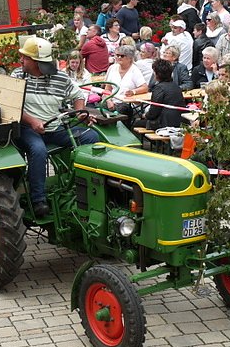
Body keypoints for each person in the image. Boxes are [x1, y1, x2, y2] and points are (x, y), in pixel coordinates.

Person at [11, 37, 99, 217]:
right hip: (28, 129)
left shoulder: (60, 77)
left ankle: (81, 187)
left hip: (55, 128)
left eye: (25, 58)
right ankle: (38, 200)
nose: (21, 60)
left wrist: (80, 112)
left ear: (37, 63)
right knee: (38, 150)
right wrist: (32, 121)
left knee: (91, 137)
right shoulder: (17, 76)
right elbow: (11, 106)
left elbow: (78, 95)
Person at [104, 45, 147, 126]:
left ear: (130, 58)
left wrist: (133, 92)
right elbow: (107, 89)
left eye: (122, 56)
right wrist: (109, 100)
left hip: (126, 103)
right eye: (117, 55)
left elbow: (144, 87)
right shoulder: (112, 68)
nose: (119, 57)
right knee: (98, 108)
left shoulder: (134, 70)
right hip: (112, 100)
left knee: (121, 110)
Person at [144, 59, 186, 130]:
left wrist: (145, 115)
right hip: (179, 121)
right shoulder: (176, 86)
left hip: (164, 123)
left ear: (157, 74)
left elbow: (153, 112)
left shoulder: (159, 88)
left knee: (136, 123)